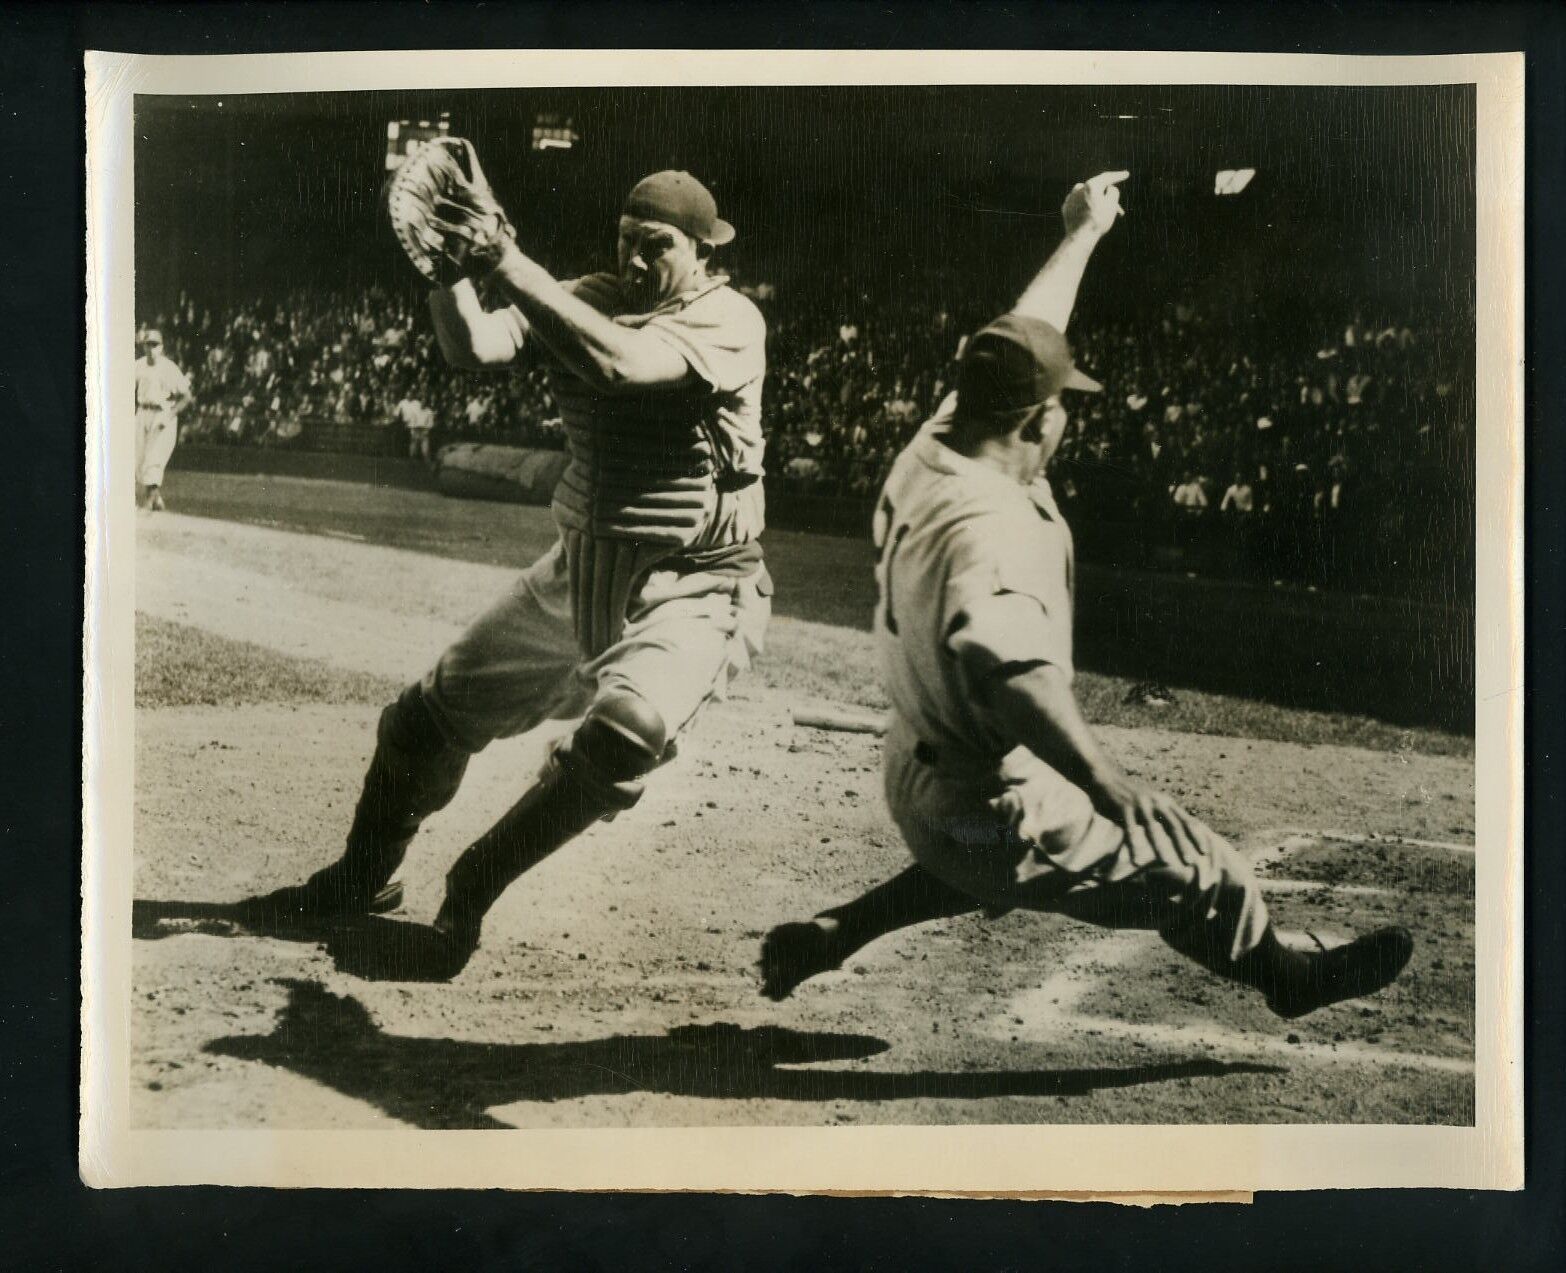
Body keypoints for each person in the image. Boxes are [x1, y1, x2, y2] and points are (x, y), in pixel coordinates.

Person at [758, 172, 1412, 1020]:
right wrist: (1114, 786)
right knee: (1201, 871)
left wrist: (1083, 233)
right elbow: (1008, 668)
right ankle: (1287, 979)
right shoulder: (994, 525)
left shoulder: (936, 445)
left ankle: (841, 927)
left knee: (1010, 843)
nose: (1069, 414)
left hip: (914, 764)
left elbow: (1020, 340)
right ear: (1035, 423)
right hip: (977, 795)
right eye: (1063, 404)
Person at [243, 170, 771, 980]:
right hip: (576, 572)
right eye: (626, 236)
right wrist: (450, 272)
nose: (634, 255)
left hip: (691, 584)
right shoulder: (589, 290)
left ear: (704, 248)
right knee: (419, 724)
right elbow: (474, 348)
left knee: (624, 736)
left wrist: (504, 257)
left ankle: (470, 889)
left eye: (656, 243)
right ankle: (359, 878)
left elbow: (626, 366)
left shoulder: (729, 316)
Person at [133, 328, 193, 511]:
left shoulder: (169, 368)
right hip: (142, 411)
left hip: (162, 413)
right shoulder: (138, 365)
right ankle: (156, 499)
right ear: (143, 347)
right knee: (137, 457)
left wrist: (170, 414)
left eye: (155, 345)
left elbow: (186, 397)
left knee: (154, 456)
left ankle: (150, 500)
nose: (151, 349)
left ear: (162, 347)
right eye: (148, 345)